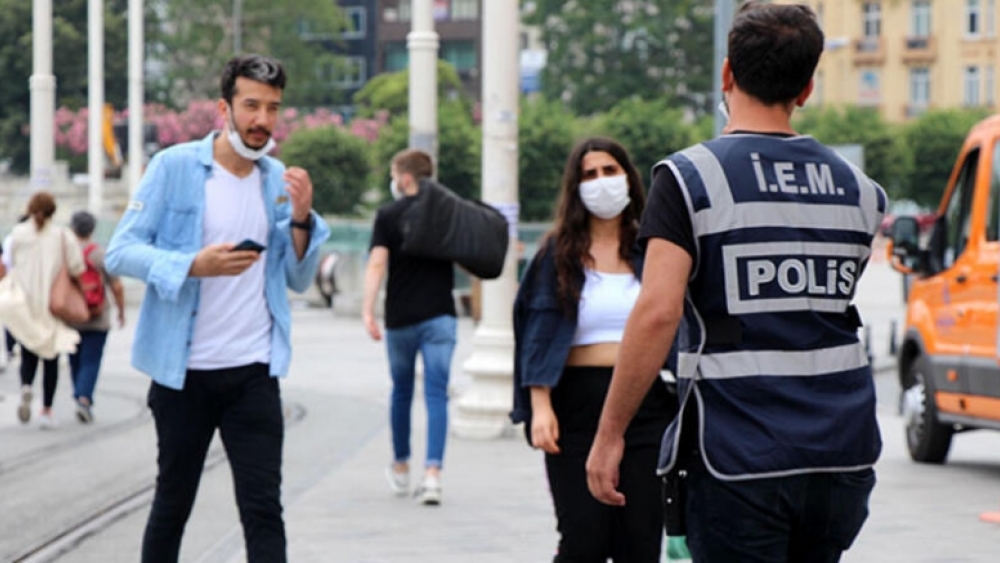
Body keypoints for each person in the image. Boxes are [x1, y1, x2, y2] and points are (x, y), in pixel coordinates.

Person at [587, 3, 885, 562]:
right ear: (807, 88)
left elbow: (657, 312)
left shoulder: (688, 178)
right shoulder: (862, 191)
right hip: (842, 455)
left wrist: (610, 435)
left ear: (727, 74)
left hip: (738, 456)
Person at [105, 54, 330, 563]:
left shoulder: (277, 181)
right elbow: (121, 251)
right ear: (224, 108)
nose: (262, 120)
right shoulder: (175, 167)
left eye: (272, 108)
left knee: (263, 510)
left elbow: (297, 278)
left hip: (253, 372)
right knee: (173, 503)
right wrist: (191, 265)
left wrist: (300, 219)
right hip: (183, 374)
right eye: (251, 106)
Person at [512, 137, 675, 562]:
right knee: (583, 540)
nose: (601, 182)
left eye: (609, 171)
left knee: (639, 542)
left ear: (628, 179)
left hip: (647, 405)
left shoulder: (655, 250)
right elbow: (536, 328)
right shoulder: (557, 252)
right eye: (590, 174)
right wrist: (539, 404)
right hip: (576, 407)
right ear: (575, 186)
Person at [363, 149, 457, 505]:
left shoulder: (388, 215)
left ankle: (401, 467)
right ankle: (433, 474)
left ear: (404, 178)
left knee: (401, 391)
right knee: (437, 393)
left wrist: (368, 310)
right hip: (441, 315)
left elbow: (376, 265)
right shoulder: (445, 213)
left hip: (401, 318)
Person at [7, 192, 85, 429]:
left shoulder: (18, 233)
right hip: (52, 301)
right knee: (51, 355)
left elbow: (9, 262)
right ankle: (46, 409)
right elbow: (76, 266)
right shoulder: (62, 235)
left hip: (24, 300)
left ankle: (26, 386)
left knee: (29, 347)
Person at [67, 210, 126, 423]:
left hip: (71, 316)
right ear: (92, 229)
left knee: (74, 360)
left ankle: (79, 395)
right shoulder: (100, 253)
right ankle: (84, 398)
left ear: (72, 228)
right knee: (91, 361)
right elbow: (117, 286)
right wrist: (120, 311)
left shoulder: (66, 254)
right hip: (98, 317)